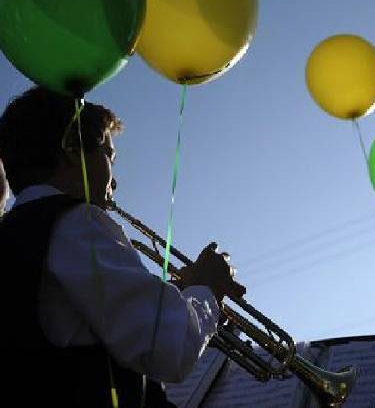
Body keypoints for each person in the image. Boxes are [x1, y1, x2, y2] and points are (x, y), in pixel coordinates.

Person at [0, 86, 245, 407]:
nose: (114, 180)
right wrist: (206, 288)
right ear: (73, 150)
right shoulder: (77, 222)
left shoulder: (18, 233)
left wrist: (175, 299)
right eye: (108, 156)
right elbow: (167, 348)